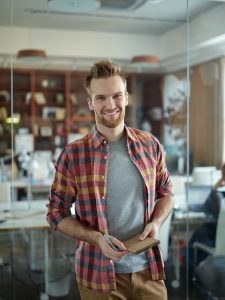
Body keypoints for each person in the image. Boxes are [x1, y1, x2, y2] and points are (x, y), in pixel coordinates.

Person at [47, 60, 174, 300]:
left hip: (149, 272)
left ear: (126, 97)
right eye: (101, 98)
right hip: (98, 277)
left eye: (116, 96)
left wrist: (156, 222)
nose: (110, 105)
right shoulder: (73, 155)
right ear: (90, 103)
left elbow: (166, 193)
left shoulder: (150, 145)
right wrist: (97, 238)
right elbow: (56, 213)